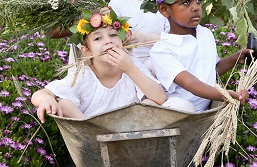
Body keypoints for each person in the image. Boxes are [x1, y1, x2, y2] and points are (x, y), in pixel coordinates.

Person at [31, 10, 167, 122]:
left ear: (123, 43)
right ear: (86, 51)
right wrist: (47, 100)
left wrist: (129, 69)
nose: (108, 41)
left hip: (130, 132)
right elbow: (40, 94)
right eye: (98, 38)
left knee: (150, 104)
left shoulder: (132, 65)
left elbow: (160, 98)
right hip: (94, 135)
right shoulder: (85, 75)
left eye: (113, 35)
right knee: (64, 104)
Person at [149, 0, 252, 112]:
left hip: (205, 108)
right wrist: (224, 94)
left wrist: (236, 58)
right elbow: (191, 83)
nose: (196, 7)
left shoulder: (205, 34)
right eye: (186, 2)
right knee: (185, 107)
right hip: (179, 115)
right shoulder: (162, 50)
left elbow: (210, 72)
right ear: (165, 9)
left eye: (198, 0)